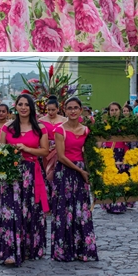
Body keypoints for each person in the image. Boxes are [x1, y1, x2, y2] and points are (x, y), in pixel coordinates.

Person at [0, 94, 50, 266]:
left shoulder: (40, 128)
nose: (23, 107)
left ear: (31, 107)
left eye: (27, 104)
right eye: (20, 104)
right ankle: (9, 251)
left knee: (31, 211)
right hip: (11, 175)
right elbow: (0, 151)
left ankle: (30, 248)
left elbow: (44, 151)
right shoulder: (7, 128)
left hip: (32, 174)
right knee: (10, 211)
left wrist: (26, 149)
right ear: (16, 106)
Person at [50, 97, 98, 262]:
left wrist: (91, 171)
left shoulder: (86, 131)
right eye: (69, 108)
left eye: (75, 108)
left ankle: (81, 249)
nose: (72, 111)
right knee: (64, 211)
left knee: (81, 210)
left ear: (81, 110)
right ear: (65, 111)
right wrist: (81, 170)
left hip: (81, 173)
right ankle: (63, 249)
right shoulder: (59, 130)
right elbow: (61, 157)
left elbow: (88, 153)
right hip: (65, 172)